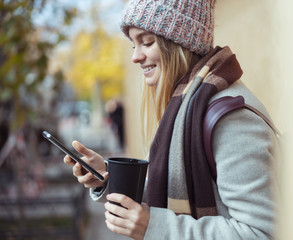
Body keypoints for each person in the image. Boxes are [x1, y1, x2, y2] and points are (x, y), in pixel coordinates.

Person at [64, 0, 281, 239]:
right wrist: (107, 178)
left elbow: (260, 232)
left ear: (180, 43)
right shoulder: (184, 108)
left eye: (147, 42)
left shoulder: (230, 118)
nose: (136, 57)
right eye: (133, 45)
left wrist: (154, 226)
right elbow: (169, 187)